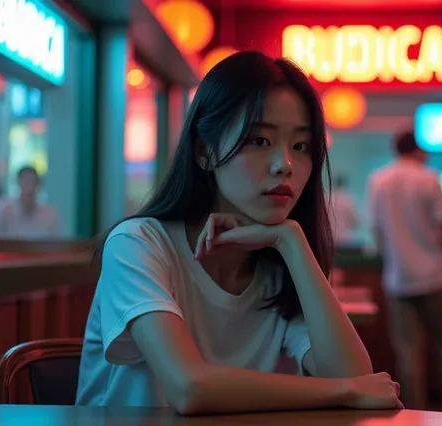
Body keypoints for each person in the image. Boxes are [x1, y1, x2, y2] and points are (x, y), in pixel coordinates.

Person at [75, 51, 402, 414]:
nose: (285, 165)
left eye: (301, 146)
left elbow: (353, 376)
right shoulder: (138, 245)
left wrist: (292, 243)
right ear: (205, 151)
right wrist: (343, 392)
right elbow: (189, 387)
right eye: (259, 141)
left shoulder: (277, 266)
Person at [367, 131, 442, 411]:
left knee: (408, 354)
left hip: (398, 279)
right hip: (437, 276)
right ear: (418, 149)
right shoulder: (429, 178)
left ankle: (413, 414)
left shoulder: (378, 181)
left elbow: (377, 232)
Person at [0, 166, 60, 237]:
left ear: (38, 185)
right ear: (18, 183)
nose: (30, 187)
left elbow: (54, 246)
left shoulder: (49, 215)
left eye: (33, 182)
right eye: (26, 182)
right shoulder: (2, 209)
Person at [326, 174, 359, 246]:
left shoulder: (326, 198)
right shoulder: (348, 200)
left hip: (328, 239)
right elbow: (355, 223)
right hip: (345, 240)